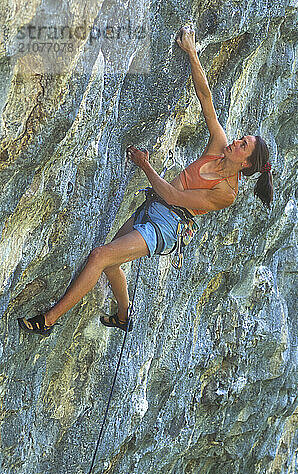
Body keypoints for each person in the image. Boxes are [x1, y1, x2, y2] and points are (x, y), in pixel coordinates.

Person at [18, 26, 273, 337]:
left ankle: (49, 320)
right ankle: (124, 315)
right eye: (241, 138)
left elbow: (176, 198)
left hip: (167, 226)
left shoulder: (226, 193)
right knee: (112, 263)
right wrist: (193, 54)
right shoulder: (219, 145)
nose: (236, 141)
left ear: (245, 163)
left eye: (242, 145)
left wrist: (145, 166)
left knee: (100, 256)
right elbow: (206, 99)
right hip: (154, 207)